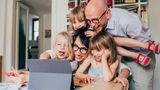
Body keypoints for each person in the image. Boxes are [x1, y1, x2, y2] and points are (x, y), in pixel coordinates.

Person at [85, 0, 157, 89]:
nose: (92, 25)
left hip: (144, 55)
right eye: (89, 21)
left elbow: (144, 42)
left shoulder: (128, 21)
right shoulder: (98, 22)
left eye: (95, 20)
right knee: (125, 86)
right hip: (125, 57)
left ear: (107, 13)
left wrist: (139, 55)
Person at [69, 4, 159, 67]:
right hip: (105, 48)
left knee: (114, 41)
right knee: (112, 43)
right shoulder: (75, 34)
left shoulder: (92, 26)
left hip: (109, 43)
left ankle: (148, 45)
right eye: (74, 22)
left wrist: (95, 34)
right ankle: (137, 55)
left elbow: (102, 37)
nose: (77, 25)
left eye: (80, 21)